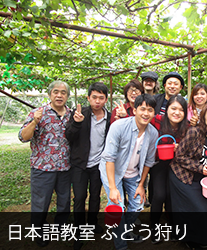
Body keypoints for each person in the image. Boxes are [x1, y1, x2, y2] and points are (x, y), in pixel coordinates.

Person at [99, 94, 159, 249]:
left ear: (154, 113)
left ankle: (123, 230)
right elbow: (109, 158)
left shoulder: (153, 133)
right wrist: (112, 188)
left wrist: (141, 185)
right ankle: (121, 245)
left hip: (134, 173)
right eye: (143, 109)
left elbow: (148, 162)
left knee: (138, 204)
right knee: (118, 208)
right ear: (134, 110)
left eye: (150, 110)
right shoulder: (118, 126)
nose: (146, 113)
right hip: (113, 172)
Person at [19, 80, 73, 247]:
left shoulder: (71, 115)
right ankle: (39, 232)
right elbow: (23, 137)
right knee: (41, 202)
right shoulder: (38, 113)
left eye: (63, 92)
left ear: (67, 96)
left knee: (64, 202)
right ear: (50, 94)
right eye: (56, 92)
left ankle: (61, 228)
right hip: (43, 168)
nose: (59, 95)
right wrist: (35, 122)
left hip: (65, 167)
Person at [169, 102, 207, 249]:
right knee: (193, 208)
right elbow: (179, 156)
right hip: (181, 175)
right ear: (203, 117)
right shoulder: (194, 132)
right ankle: (189, 239)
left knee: (205, 210)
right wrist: (200, 168)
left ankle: (202, 238)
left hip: (199, 177)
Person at [64, 82, 112, 249]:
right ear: (88, 97)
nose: (97, 101)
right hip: (79, 164)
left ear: (106, 99)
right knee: (79, 198)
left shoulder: (110, 117)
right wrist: (76, 123)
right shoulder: (79, 114)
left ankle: (92, 223)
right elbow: (68, 136)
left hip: (99, 165)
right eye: (94, 97)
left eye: (101, 98)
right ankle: (78, 231)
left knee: (95, 196)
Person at [148, 95, 189, 244]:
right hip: (159, 163)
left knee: (173, 196)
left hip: (177, 166)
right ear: (167, 110)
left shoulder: (187, 127)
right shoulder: (157, 120)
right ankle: (154, 227)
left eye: (181, 110)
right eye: (173, 108)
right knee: (159, 195)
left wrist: (181, 148)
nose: (177, 112)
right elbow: (141, 118)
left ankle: (173, 227)